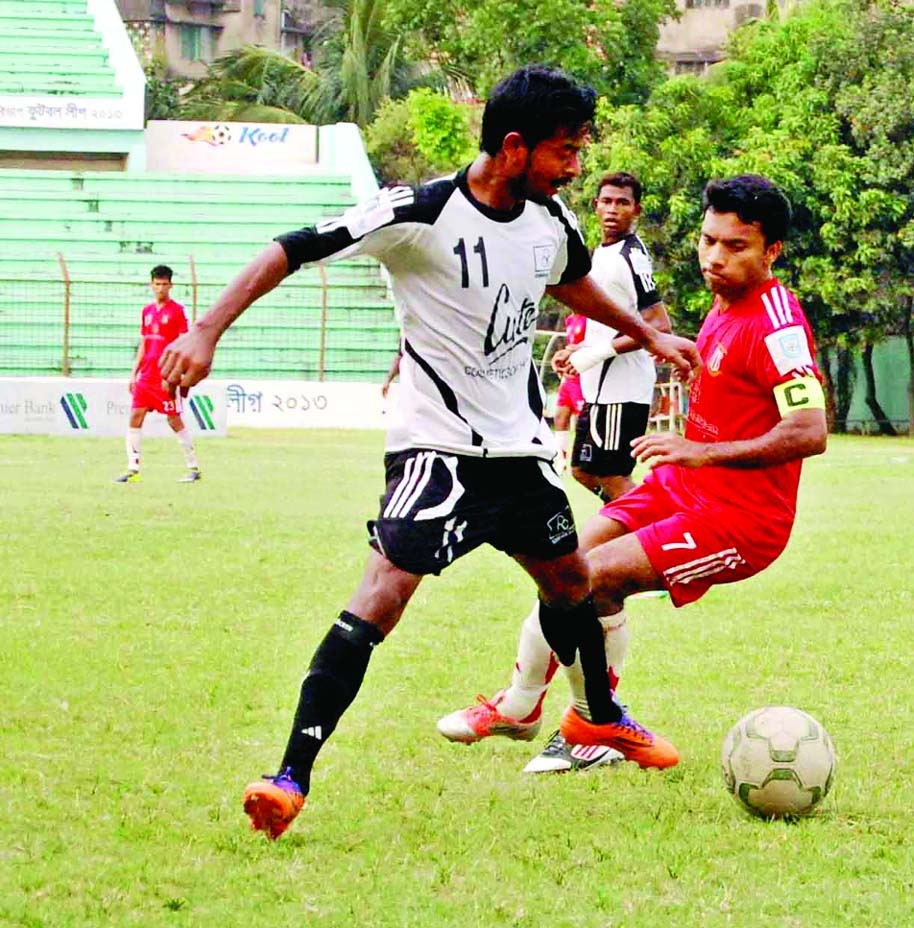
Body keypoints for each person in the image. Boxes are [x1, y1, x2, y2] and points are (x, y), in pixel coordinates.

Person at [158, 65, 702, 840]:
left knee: (572, 582)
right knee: (382, 595)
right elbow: (293, 247)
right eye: (565, 150)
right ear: (513, 147)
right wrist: (205, 330)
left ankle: (600, 719)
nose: (576, 166)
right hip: (437, 450)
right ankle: (289, 777)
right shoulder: (420, 213)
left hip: (519, 453)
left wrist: (649, 333)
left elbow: (571, 282)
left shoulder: (553, 222)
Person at [437, 174, 828, 774]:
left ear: (772, 250)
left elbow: (809, 431)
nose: (715, 258)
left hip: (739, 521)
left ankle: (591, 731)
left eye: (735, 246)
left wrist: (700, 452)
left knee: (593, 581)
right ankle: (523, 709)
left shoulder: (778, 323)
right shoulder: (726, 305)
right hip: (682, 490)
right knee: (563, 568)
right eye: (708, 242)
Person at [559, 171, 670, 502]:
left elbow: (658, 326)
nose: (612, 209)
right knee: (582, 471)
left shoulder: (630, 256)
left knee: (612, 475)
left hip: (622, 389)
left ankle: (653, 532)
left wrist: (594, 355)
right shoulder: (602, 253)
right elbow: (613, 322)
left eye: (622, 203)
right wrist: (579, 348)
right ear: (595, 206)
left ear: (636, 210)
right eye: (606, 201)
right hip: (599, 390)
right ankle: (631, 525)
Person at [114, 265, 201, 484]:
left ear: (170, 285)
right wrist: (134, 373)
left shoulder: (177, 311)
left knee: (174, 420)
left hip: (165, 375)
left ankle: (193, 467)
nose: (160, 288)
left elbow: (183, 343)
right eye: (157, 284)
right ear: (151, 285)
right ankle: (133, 469)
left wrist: (173, 374)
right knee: (135, 416)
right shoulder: (147, 311)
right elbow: (144, 343)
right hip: (146, 376)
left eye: (164, 284)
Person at [550, 312, 586, 473]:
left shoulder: (591, 318)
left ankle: (584, 458)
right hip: (569, 377)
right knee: (559, 417)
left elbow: (597, 342)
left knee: (583, 420)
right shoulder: (571, 319)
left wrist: (574, 351)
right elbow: (571, 345)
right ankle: (560, 459)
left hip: (584, 376)